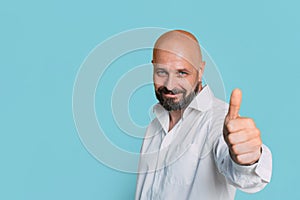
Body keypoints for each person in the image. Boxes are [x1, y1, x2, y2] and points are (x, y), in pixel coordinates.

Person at [135, 30, 272, 200]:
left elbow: (246, 176)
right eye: (162, 72)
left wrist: (248, 161)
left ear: (200, 71)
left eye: (182, 73)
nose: (170, 85)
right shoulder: (154, 127)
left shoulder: (218, 120)